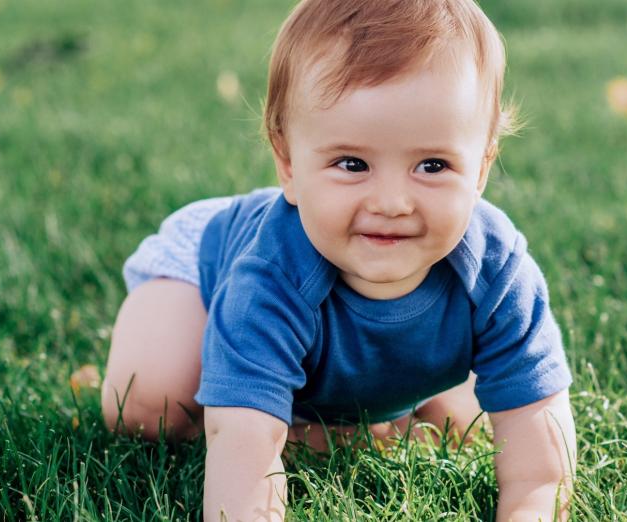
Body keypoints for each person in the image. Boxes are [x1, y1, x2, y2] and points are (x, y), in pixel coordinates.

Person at [101, 0, 578, 519]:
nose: (392, 203)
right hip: (204, 274)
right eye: (352, 164)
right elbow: (243, 454)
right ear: (287, 161)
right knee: (149, 406)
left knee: (462, 422)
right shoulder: (269, 275)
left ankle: (345, 422)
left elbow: (541, 458)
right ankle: (305, 424)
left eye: (433, 165)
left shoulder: (498, 272)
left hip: (368, 346)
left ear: (483, 166)